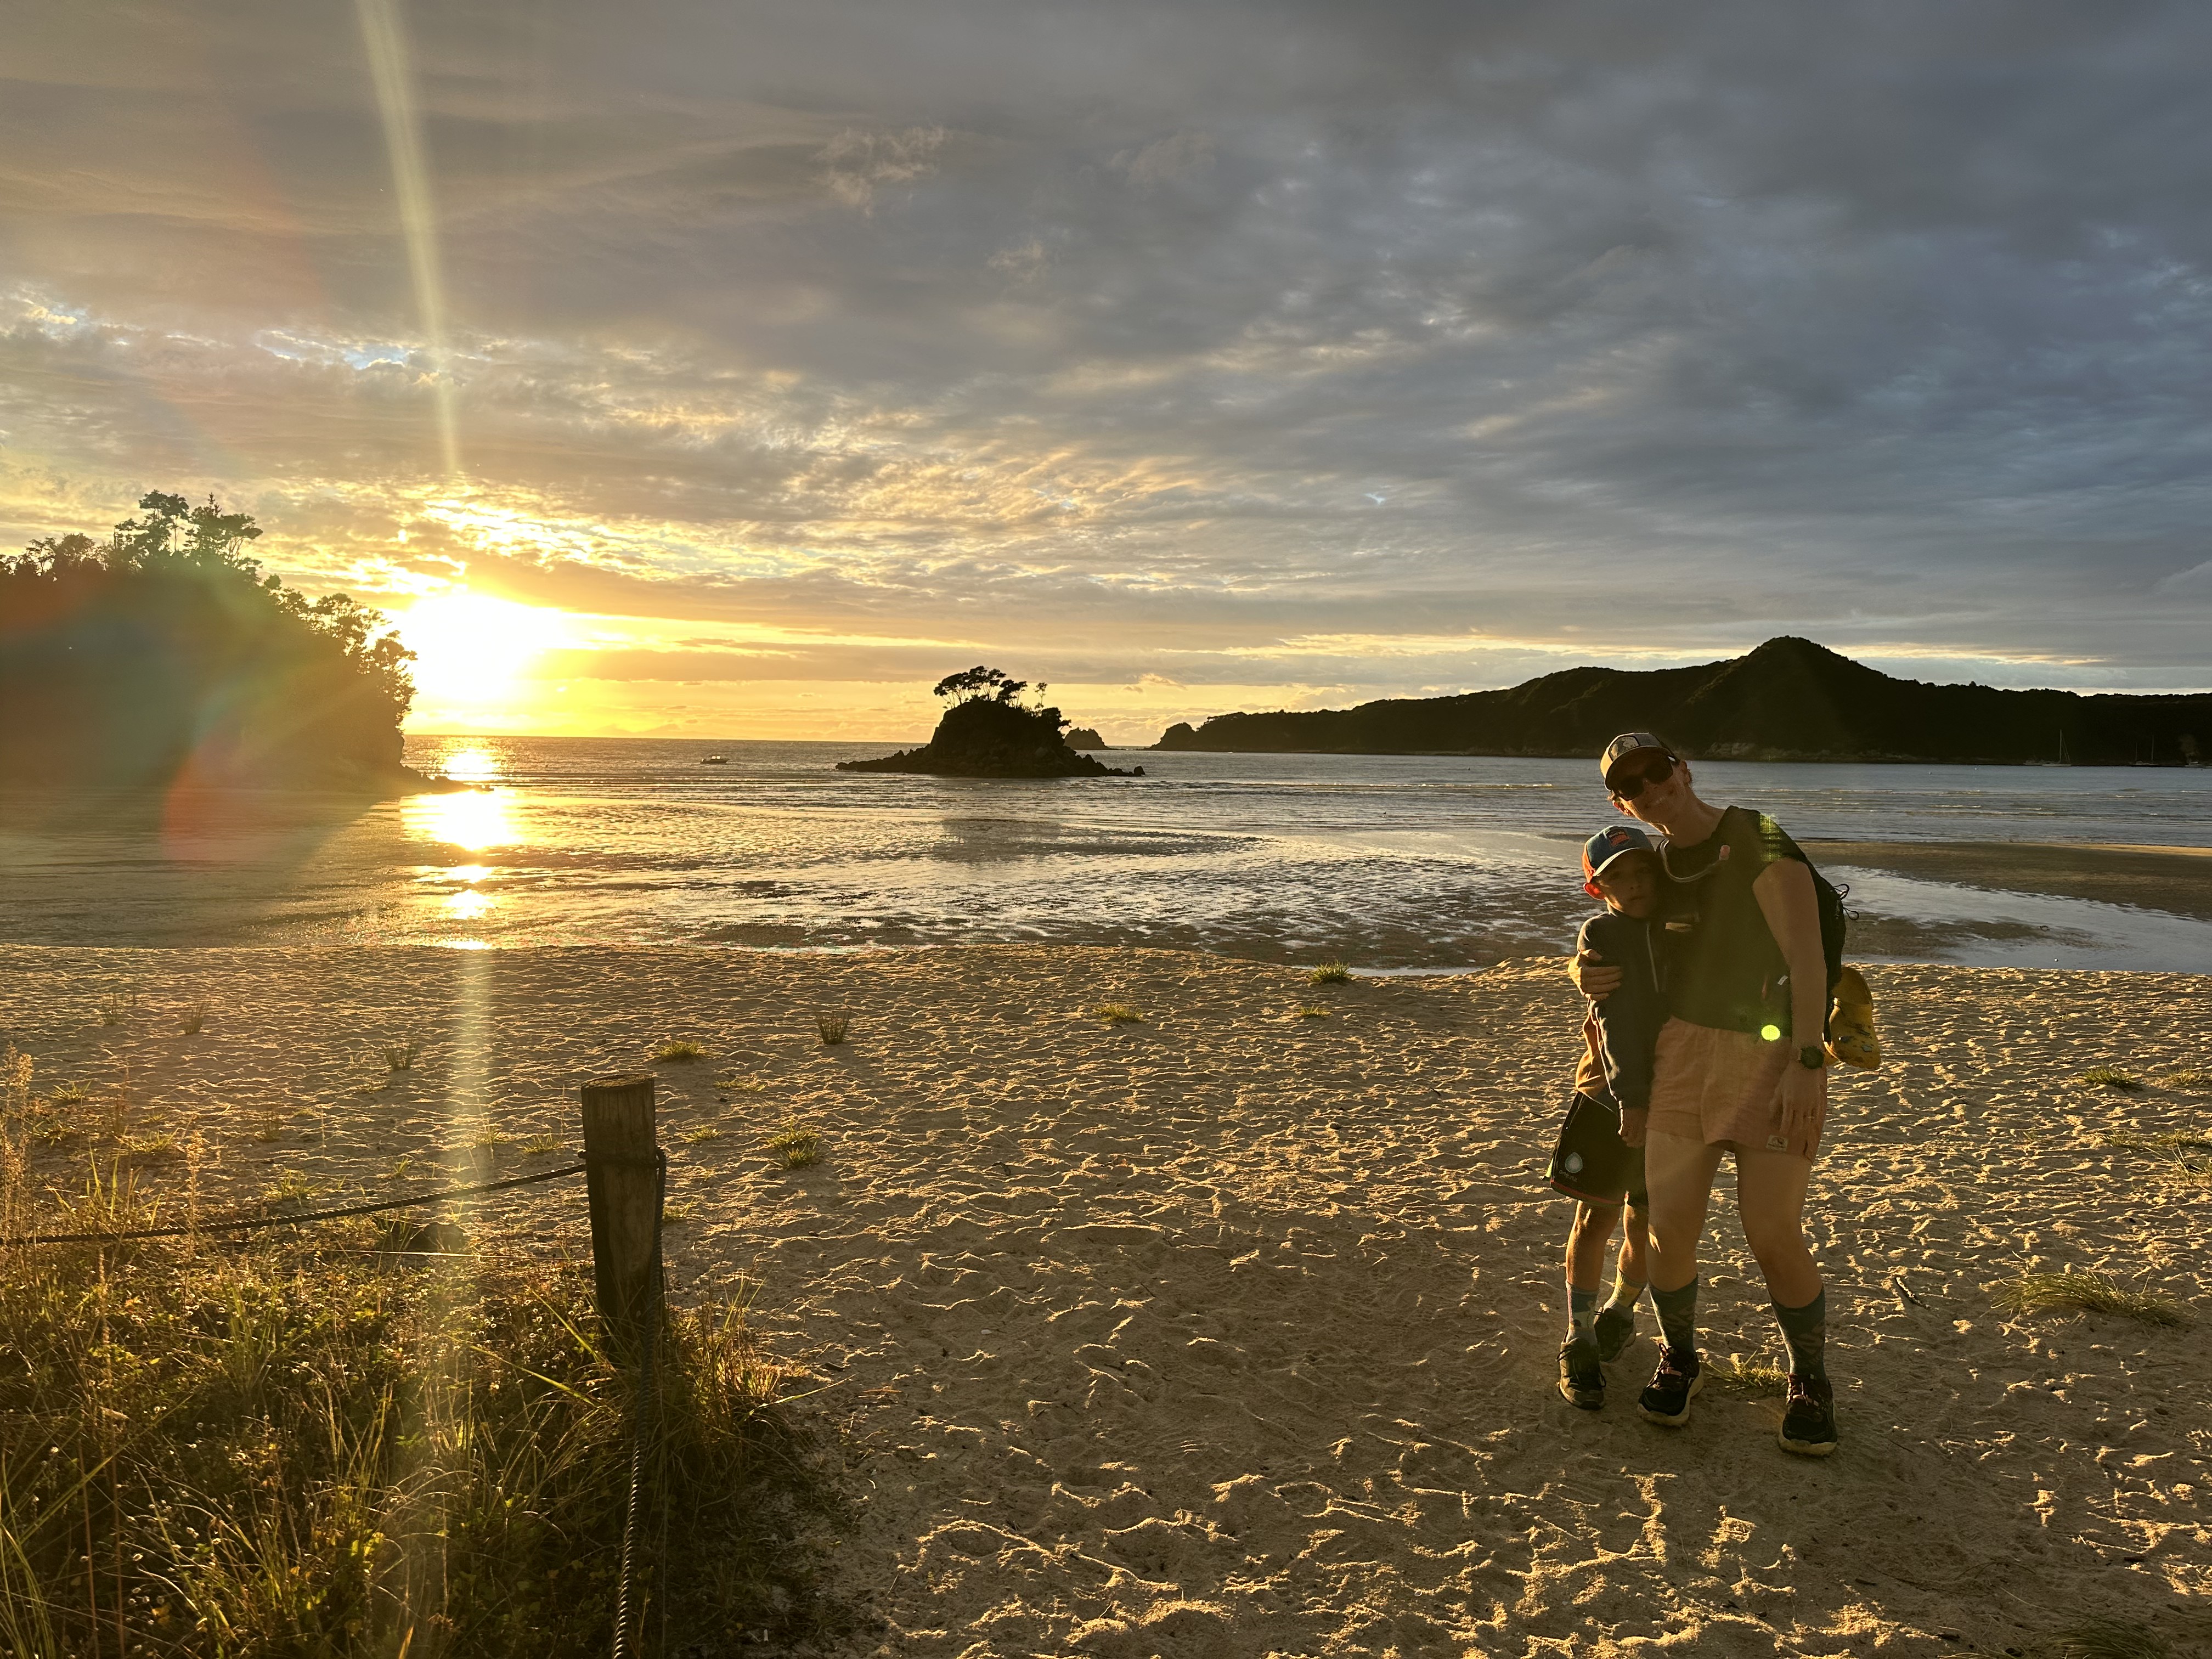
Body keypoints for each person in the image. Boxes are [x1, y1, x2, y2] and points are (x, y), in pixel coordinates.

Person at [1575, 732, 1839, 1457]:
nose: (1650, 787)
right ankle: (1680, 1357)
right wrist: (1582, 971)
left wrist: (1808, 1059)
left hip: (1774, 1055)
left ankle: (1810, 1379)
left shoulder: (1756, 835)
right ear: (1622, 804)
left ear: (1684, 769)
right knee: (1670, 1229)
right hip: (1682, 1054)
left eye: (1658, 769)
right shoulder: (1660, 866)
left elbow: (1808, 955)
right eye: (1631, 785)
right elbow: (1620, 938)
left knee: (1773, 1232)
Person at [1547, 825, 1671, 1410]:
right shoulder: (1602, 933)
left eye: (1644, 870)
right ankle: (1578, 1335)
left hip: (1676, 1097)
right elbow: (1616, 1021)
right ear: (1596, 888)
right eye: (1619, 876)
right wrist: (1630, 1100)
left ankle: (1620, 1310)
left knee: (1647, 1221)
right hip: (1608, 1096)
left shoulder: (1683, 922)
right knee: (1595, 1218)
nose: (1636, 884)